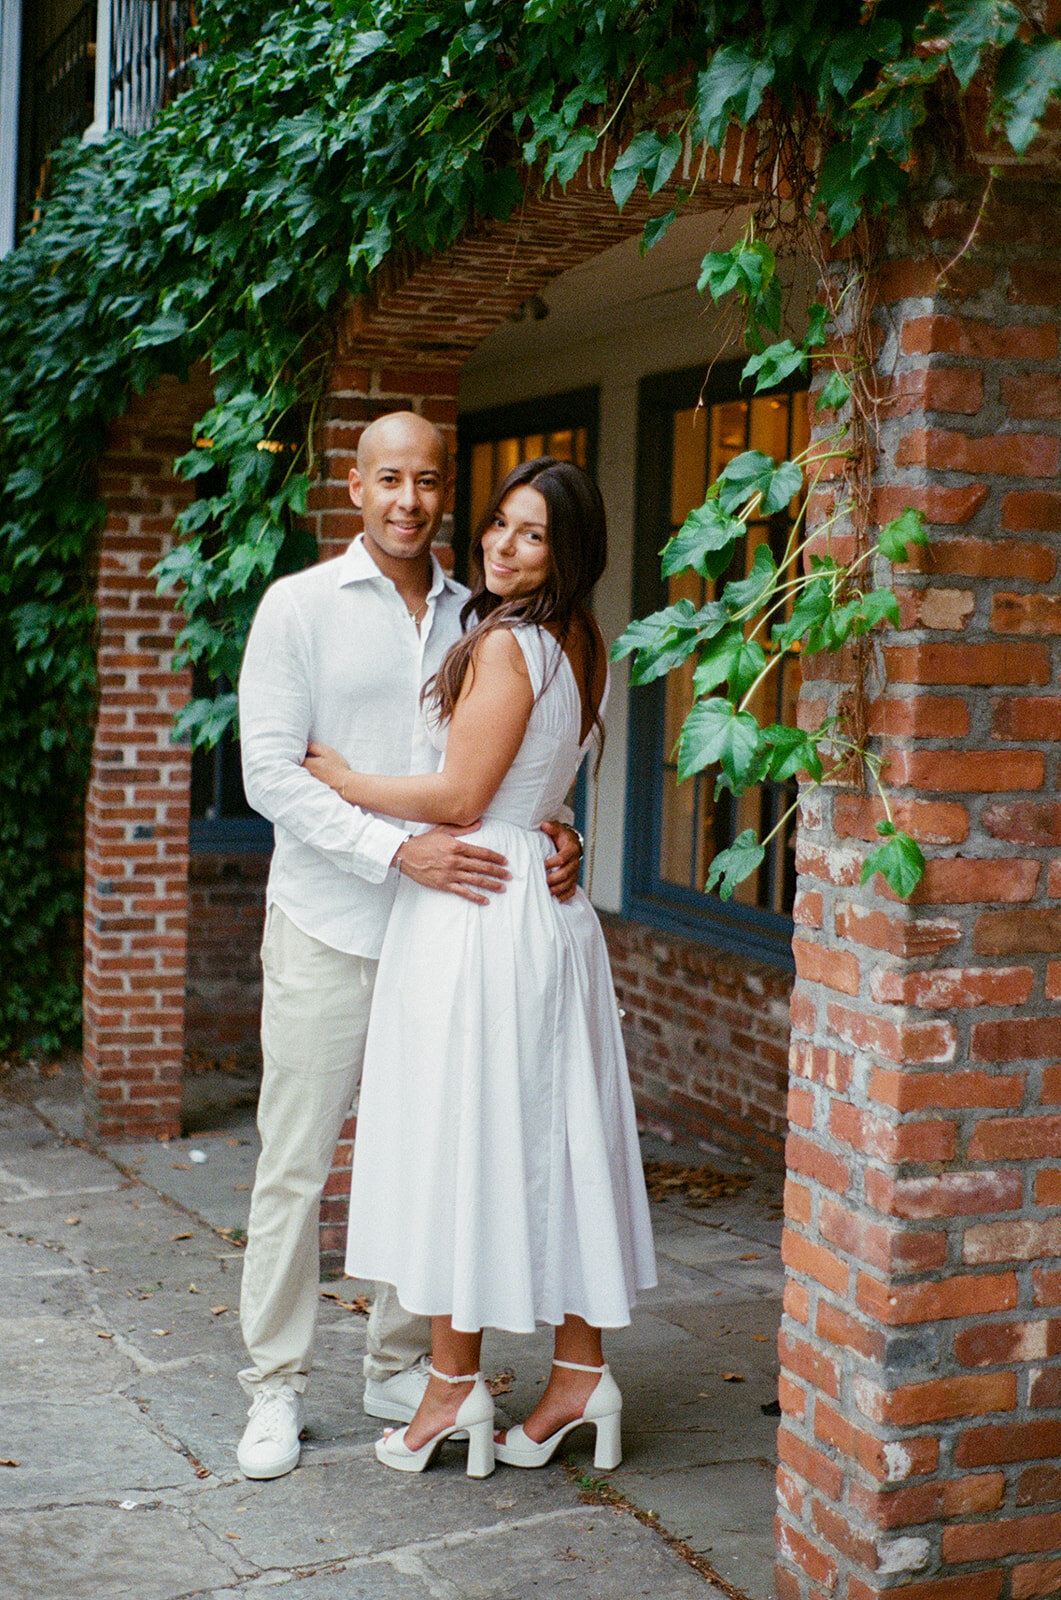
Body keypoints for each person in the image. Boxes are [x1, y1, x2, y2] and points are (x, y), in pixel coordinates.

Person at [235, 413, 582, 1480]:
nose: (408, 501)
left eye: (427, 481)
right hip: (330, 923)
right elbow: (270, 773)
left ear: (444, 492)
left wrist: (558, 831)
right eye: (389, 478)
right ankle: (275, 1385)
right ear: (355, 485)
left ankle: (398, 1364)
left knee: (424, 1156)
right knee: (297, 1165)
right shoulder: (298, 606)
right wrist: (396, 851)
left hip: (448, 937)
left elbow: (513, 759)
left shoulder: (481, 614)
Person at [303, 457, 657, 1480]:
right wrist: (557, 829)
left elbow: (461, 797)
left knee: (463, 1141)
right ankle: (578, 1374)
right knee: (557, 1138)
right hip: (538, 902)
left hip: (478, 902)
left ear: (568, 550)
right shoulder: (579, 637)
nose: (502, 545)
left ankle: (452, 1388)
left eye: (531, 533)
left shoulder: (505, 641)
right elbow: (534, 779)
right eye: (500, 523)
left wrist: (343, 777)